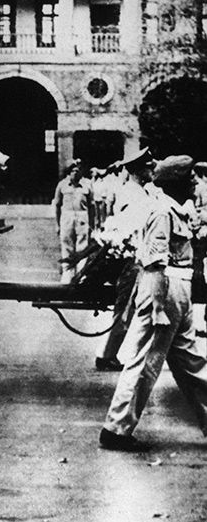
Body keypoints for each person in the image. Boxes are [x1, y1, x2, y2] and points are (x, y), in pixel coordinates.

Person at [99, 155, 207, 452]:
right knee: (146, 362)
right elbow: (156, 263)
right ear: (176, 183)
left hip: (178, 289)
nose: (196, 181)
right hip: (165, 289)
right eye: (191, 177)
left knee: (190, 363)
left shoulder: (178, 209)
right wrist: (158, 308)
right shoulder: (162, 212)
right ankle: (116, 430)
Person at [95, 148, 158, 372]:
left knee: (135, 308)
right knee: (125, 309)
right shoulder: (132, 194)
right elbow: (129, 229)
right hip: (132, 259)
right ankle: (107, 355)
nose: (152, 170)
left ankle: (112, 354)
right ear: (137, 170)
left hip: (140, 257)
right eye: (148, 167)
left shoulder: (141, 191)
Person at [54, 161, 94, 283]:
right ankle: (67, 274)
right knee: (67, 246)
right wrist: (57, 224)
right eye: (72, 170)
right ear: (68, 172)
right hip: (67, 217)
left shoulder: (87, 185)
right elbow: (57, 205)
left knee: (82, 248)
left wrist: (92, 225)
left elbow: (91, 206)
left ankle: (81, 275)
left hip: (82, 218)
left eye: (78, 170)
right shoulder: (62, 185)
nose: (75, 172)